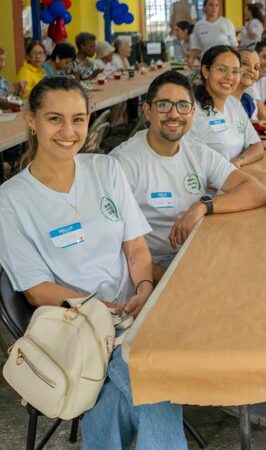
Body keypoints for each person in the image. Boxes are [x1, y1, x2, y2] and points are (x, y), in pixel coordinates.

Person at [0, 76, 187, 450]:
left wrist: (144, 289)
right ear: (31, 120)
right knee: (149, 377)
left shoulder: (105, 170)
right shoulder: (12, 199)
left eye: (79, 119)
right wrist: (103, 312)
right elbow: (36, 291)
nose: (69, 132)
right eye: (55, 119)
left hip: (134, 312)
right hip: (75, 325)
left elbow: (135, 248)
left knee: (122, 386)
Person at [110, 70, 266, 280]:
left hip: (196, 251)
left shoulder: (197, 151)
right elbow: (112, 246)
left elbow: (258, 192)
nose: (174, 114)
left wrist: (203, 205)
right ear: (147, 111)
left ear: (192, 113)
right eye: (164, 105)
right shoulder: (122, 163)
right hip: (152, 264)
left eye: (183, 106)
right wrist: (165, 279)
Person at [190, 46, 264, 167]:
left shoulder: (234, 104)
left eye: (235, 71)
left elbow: (257, 146)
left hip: (234, 177)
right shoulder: (191, 111)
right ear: (206, 71)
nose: (229, 76)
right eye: (222, 69)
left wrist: (239, 161)